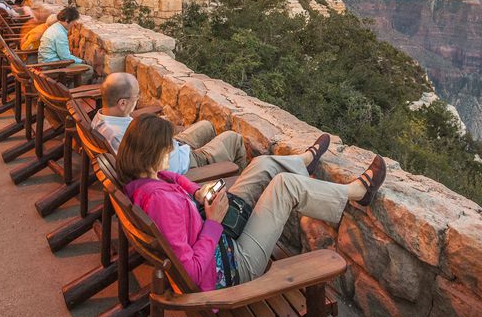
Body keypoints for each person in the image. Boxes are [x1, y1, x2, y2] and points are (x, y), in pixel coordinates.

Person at [119, 114, 386, 291]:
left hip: (218, 234)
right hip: (233, 265)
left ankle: (303, 162)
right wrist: (213, 222)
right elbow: (191, 273)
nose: (172, 150)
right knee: (285, 186)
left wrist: (198, 193)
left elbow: (174, 177)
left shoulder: (145, 181)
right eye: (169, 147)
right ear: (153, 153)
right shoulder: (160, 204)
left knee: (260, 165)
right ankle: (355, 193)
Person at [94, 72, 248, 173]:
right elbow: (156, 169)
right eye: (136, 97)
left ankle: (217, 170)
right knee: (233, 138)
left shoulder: (100, 120)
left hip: (169, 145)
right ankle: (234, 186)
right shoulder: (122, 136)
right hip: (184, 164)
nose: (138, 100)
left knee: (206, 126)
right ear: (122, 103)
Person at [38, 6, 93, 81]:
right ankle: (71, 90)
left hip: (45, 62)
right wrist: (82, 61)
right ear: (67, 20)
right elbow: (65, 58)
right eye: (73, 22)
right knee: (88, 69)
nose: (73, 24)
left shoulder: (55, 27)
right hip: (51, 66)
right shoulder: (59, 34)